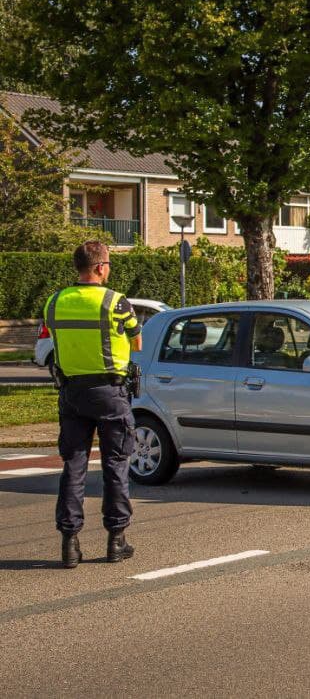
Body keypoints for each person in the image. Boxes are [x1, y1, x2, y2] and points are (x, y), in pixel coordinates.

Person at [43, 241, 142, 567]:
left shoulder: (54, 302)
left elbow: (53, 340)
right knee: (116, 464)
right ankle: (117, 540)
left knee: (73, 464)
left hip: (71, 392)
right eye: (109, 264)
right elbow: (136, 341)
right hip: (110, 393)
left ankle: (69, 544)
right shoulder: (115, 302)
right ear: (100, 267)